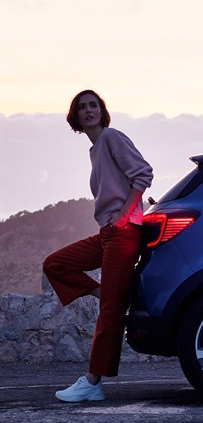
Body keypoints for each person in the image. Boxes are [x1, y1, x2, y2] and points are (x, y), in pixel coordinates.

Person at [43, 89, 153, 402]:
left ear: (101, 111)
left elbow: (143, 174)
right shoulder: (96, 148)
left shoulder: (111, 138)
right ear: (75, 116)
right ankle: (107, 292)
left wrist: (122, 215)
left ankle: (92, 382)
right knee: (56, 263)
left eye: (94, 105)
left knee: (110, 312)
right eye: (82, 107)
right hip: (107, 234)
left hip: (122, 232)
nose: (89, 111)